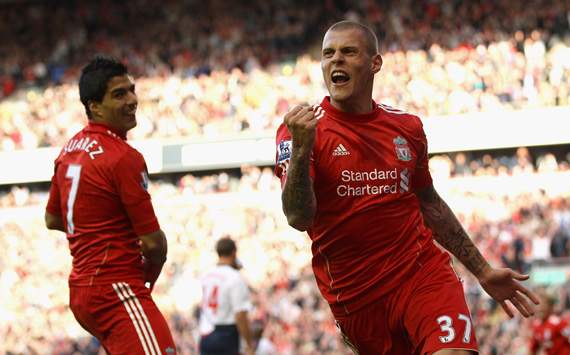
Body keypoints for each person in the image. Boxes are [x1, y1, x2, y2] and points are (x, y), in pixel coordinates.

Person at [274, 20, 540, 354]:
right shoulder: (300, 131)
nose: (336, 60)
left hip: (422, 275)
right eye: (328, 54)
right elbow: (298, 217)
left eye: (348, 52)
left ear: (375, 64)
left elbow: (429, 203)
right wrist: (301, 148)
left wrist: (482, 271)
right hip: (358, 297)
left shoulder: (407, 127)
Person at [45, 56, 177, 355]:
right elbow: (153, 243)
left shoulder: (68, 150)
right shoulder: (123, 157)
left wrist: (98, 224)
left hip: (81, 288)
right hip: (116, 290)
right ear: (94, 106)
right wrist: (150, 273)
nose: (132, 100)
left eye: (132, 90)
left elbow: (52, 218)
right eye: (119, 94)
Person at [199, 237, 255, 355]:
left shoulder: (207, 275)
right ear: (234, 252)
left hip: (206, 332)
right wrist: (249, 344)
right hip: (226, 335)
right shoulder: (235, 277)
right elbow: (240, 315)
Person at [529, 289, 570, 355]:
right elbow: (533, 349)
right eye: (537, 305)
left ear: (551, 307)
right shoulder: (536, 325)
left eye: (543, 305)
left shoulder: (558, 323)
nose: (540, 308)